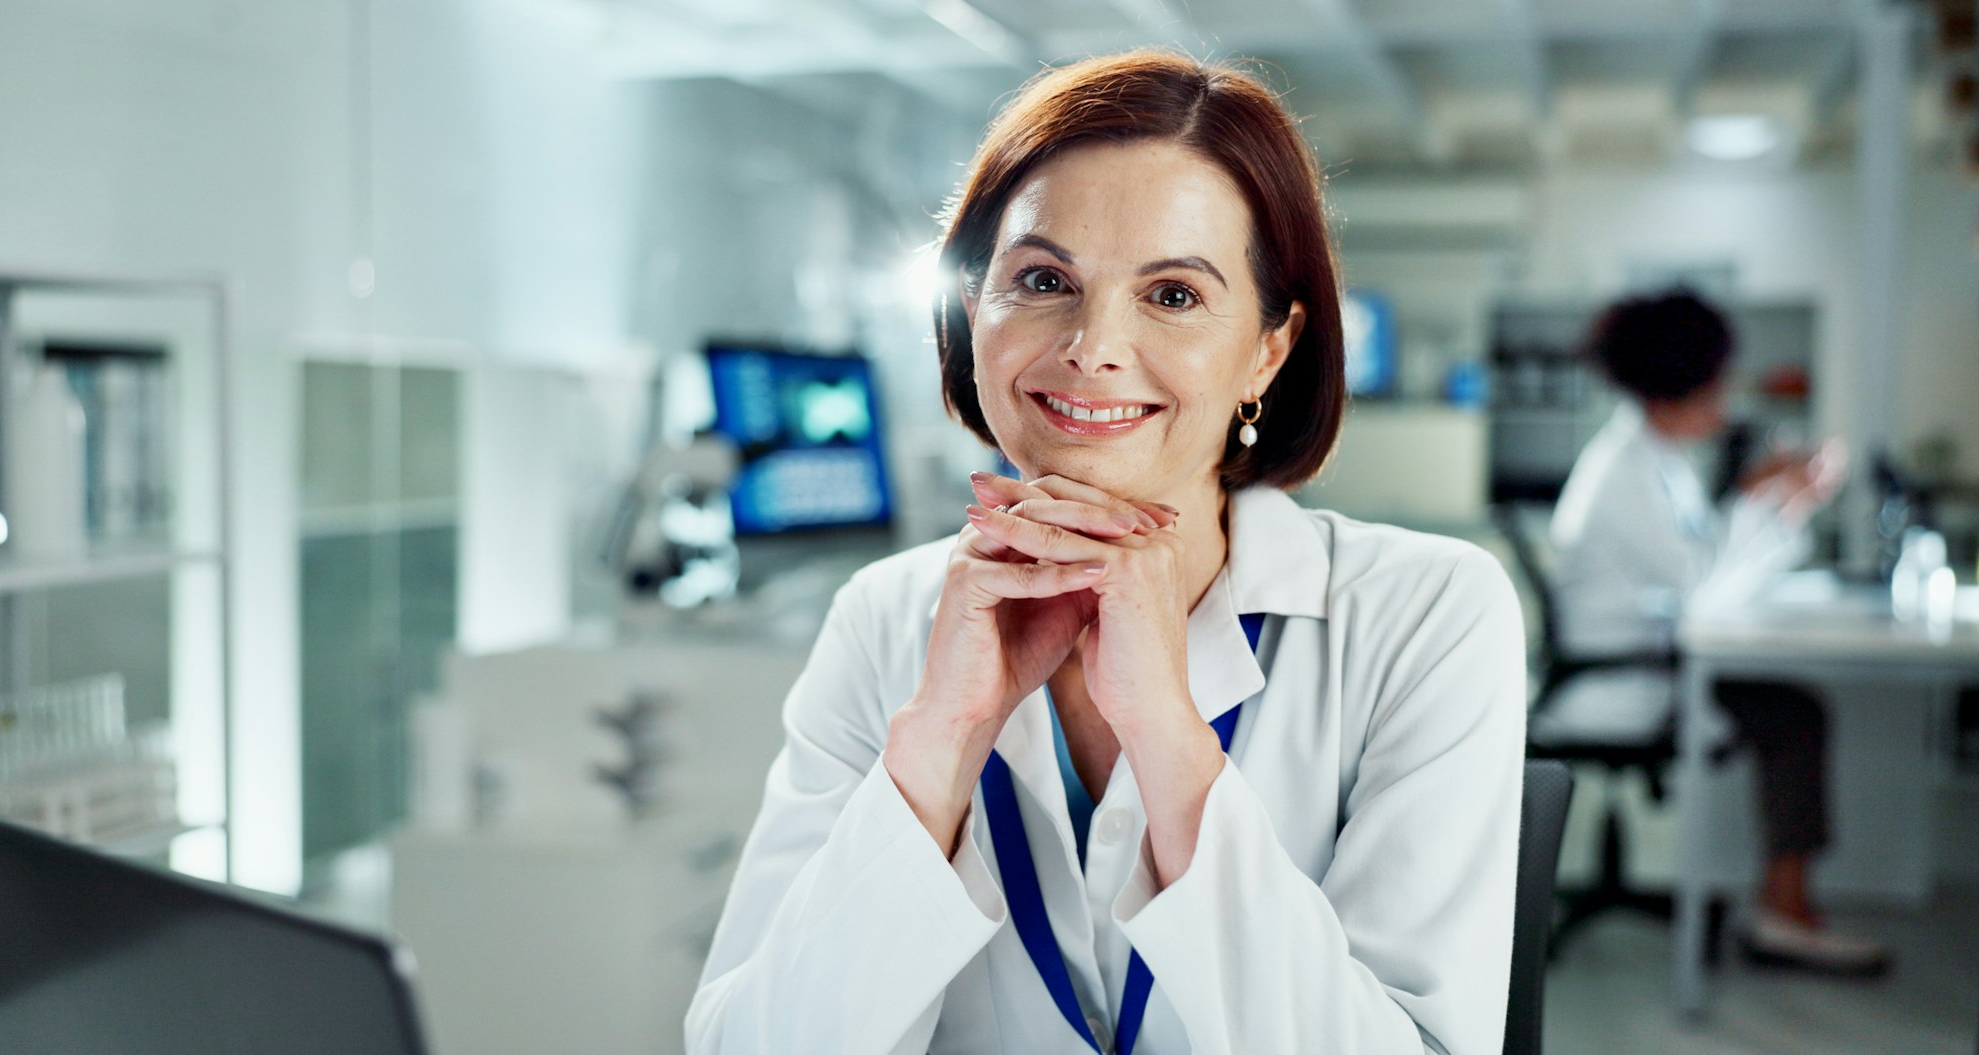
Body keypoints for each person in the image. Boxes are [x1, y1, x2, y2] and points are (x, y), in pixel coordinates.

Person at [686, 51, 1527, 1054]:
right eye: (1041, 280)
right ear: (970, 312)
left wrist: (1167, 740)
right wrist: (942, 742)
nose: (1091, 345)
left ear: (1268, 346)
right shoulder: (885, 617)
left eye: (1172, 294)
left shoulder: (1425, 613)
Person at [1543, 288, 1886, 974]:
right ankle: (1783, 913)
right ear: (1679, 387)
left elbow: (1709, 573)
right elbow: (1704, 585)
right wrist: (1767, 499)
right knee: (1793, 715)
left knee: (1791, 709)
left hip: (1650, 662)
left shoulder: (1657, 464)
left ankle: (1783, 905)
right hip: (1621, 682)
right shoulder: (1625, 473)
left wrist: (1776, 502)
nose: (1725, 401)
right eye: (1715, 385)